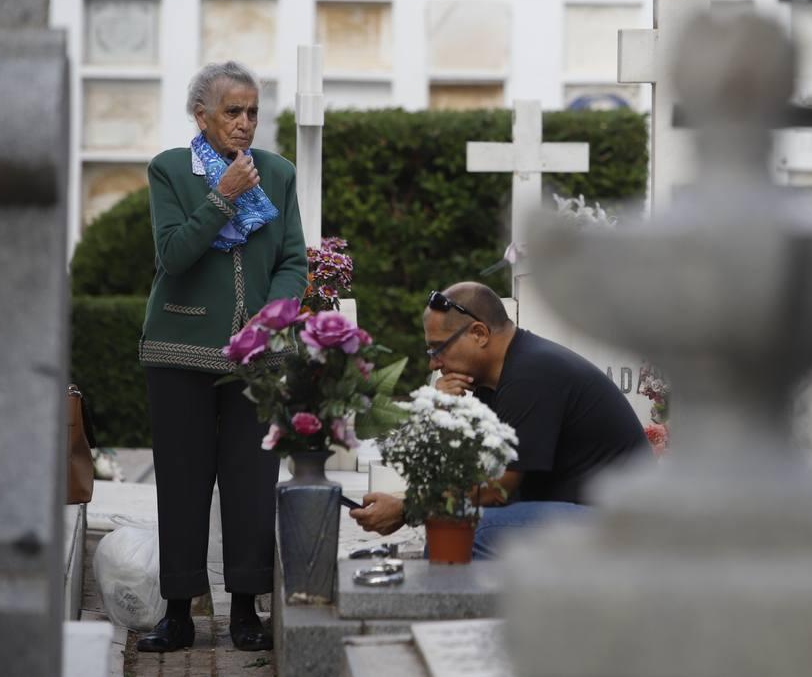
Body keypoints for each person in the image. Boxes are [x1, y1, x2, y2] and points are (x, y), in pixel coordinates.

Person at [136, 61, 306, 653]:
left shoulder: (279, 174)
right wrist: (222, 197)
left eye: (253, 112)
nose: (244, 123)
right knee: (181, 483)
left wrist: (271, 318)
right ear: (201, 115)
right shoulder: (168, 170)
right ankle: (178, 613)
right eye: (232, 112)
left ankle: (244, 612)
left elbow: (293, 261)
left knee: (250, 483)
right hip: (177, 348)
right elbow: (174, 257)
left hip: (256, 357)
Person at [350, 282, 647, 557]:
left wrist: (406, 509)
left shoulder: (532, 375)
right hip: (580, 513)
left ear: (479, 333)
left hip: (620, 525)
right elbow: (470, 476)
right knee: (449, 529)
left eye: (439, 348)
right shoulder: (493, 383)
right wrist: (442, 414)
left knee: (469, 533)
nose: (433, 362)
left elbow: (497, 489)